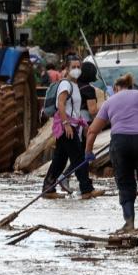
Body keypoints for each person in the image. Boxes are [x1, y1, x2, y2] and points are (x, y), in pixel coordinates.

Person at [85, 74, 138, 233]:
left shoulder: (109, 101)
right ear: (130, 86)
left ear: (115, 88)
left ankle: (129, 223)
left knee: (125, 182)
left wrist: (89, 151)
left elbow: (92, 131)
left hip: (120, 143)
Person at [42, 56, 103, 200]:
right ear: (67, 69)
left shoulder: (75, 86)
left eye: (78, 67)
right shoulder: (65, 84)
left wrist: (83, 124)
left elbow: (74, 109)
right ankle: (86, 189)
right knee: (78, 157)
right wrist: (66, 124)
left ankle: (48, 187)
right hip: (66, 127)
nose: (76, 70)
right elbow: (60, 104)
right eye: (73, 67)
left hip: (73, 125)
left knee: (60, 160)